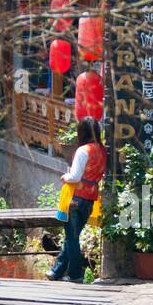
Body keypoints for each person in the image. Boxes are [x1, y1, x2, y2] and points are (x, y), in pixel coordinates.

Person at [47, 116, 107, 284]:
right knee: (72, 236)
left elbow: (74, 176)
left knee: (71, 237)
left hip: (75, 197)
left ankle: (75, 274)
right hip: (90, 197)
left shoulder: (83, 150)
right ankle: (56, 270)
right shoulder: (102, 150)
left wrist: (65, 176)